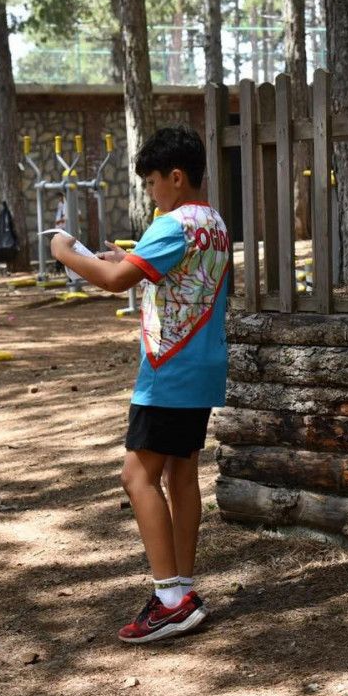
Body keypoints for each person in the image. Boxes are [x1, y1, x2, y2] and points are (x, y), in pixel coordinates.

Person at [50, 125, 230, 644]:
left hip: (167, 369)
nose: (150, 193)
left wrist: (65, 251)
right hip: (201, 366)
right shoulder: (213, 222)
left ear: (176, 177)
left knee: (137, 476)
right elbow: (157, 273)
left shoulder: (173, 223)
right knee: (180, 475)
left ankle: (171, 599)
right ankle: (182, 590)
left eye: (152, 182)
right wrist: (123, 260)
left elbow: (113, 282)